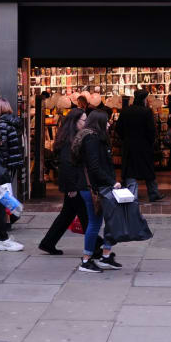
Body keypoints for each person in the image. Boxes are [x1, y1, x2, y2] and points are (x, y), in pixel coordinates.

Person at [39, 108, 103, 256]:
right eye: (83, 120)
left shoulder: (73, 137)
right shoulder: (70, 140)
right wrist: (71, 187)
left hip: (75, 183)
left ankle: (48, 242)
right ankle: (97, 245)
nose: (86, 122)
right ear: (75, 122)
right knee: (85, 216)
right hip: (75, 184)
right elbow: (67, 166)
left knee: (67, 214)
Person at [72, 109, 122, 272]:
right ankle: (86, 261)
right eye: (106, 121)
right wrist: (111, 182)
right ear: (99, 123)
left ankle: (105, 256)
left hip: (100, 186)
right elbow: (94, 167)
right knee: (95, 223)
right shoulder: (91, 140)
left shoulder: (96, 138)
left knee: (109, 221)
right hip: (93, 188)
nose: (109, 124)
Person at [0, 96, 26, 252]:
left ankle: (9, 219)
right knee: (4, 192)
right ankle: (7, 220)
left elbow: (1, 145)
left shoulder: (2, 123)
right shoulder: (13, 121)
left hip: (5, 162)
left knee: (1, 194)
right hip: (13, 161)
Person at [115, 90, 164, 203]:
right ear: (143, 99)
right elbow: (151, 130)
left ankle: (132, 194)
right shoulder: (146, 112)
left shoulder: (126, 111)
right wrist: (150, 142)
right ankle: (153, 193)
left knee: (130, 170)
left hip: (129, 145)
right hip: (144, 146)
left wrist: (125, 138)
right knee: (148, 169)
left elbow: (118, 128)